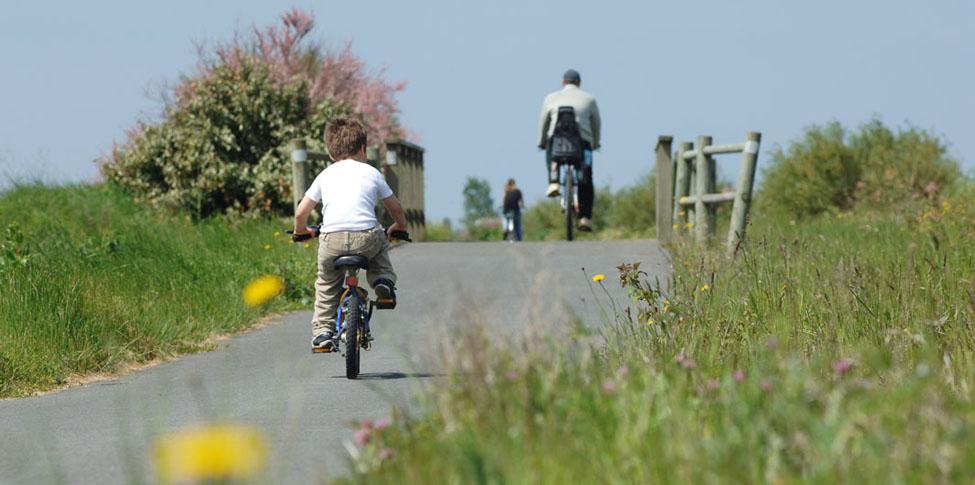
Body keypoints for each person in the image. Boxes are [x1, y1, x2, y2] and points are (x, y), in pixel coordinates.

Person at [293, 117, 409, 352]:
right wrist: (400, 226)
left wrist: (300, 232)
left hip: (331, 240)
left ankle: (323, 332)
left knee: (326, 283)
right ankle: (383, 282)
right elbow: (394, 207)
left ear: (330, 153)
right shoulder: (372, 173)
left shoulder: (325, 175)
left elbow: (300, 213)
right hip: (365, 237)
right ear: (363, 149)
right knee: (379, 244)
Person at [537, 69, 601, 232]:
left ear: (563, 82)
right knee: (586, 178)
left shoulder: (550, 98)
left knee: (550, 151)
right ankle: (585, 217)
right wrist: (595, 142)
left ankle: (553, 181)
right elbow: (597, 124)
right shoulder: (589, 99)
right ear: (579, 83)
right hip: (582, 146)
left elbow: (544, 123)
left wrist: (542, 141)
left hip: (556, 145)